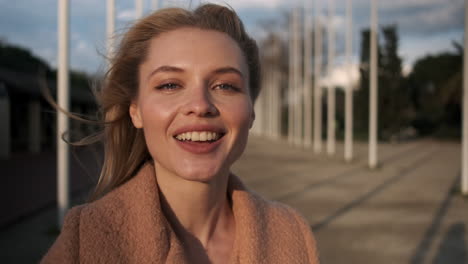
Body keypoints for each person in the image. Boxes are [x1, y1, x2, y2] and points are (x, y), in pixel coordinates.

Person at [41, 3, 319, 263]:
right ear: (135, 111)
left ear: (251, 110)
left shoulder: (292, 232)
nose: (200, 105)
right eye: (170, 85)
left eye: (225, 86)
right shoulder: (84, 242)